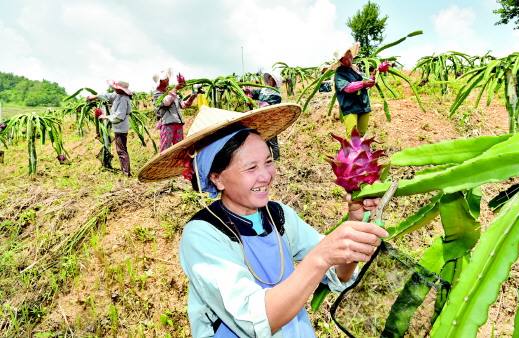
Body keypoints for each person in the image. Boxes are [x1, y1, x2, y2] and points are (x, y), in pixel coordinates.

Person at [138, 104, 388, 337]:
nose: (266, 176)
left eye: (268, 162)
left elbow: (337, 274)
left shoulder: (278, 215)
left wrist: (354, 226)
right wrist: (319, 257)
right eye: (251, 168)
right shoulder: (203, 235)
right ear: (217, 178)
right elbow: (255, 318)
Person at [87, 80, 132, 176]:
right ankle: (125, 171)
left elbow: (119, 116)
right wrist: (95, 97)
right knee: (121, 149)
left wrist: (106, 117)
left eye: (116, 88)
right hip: (118, 127)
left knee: (121, 150)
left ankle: (126, 173)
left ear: (121, 89)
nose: (114, 89)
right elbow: (108, 96)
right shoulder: (118, 95)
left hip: (121, 128)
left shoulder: (123, 99)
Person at [333, 42, 375, 136]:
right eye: (346, 58)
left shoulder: (355, 70)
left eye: (350, 55)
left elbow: (365, 83)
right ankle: (350, 151)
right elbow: (348, 88)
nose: (349, 59)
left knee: (362, 134)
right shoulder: (339, 73)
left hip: (363, 105)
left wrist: (372, 80)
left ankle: (361, 151)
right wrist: (363, 83)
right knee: (352, 136)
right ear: (341, 60)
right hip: (350, 107)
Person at [152, 68, 197, 152]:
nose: (168, 79)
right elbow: (166, 102)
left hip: (178, 124)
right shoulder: (157, 94)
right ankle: (165, 165)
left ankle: (178, 165)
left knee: (180, 149)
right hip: (167, 125)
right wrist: (175, 89)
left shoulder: (171, 92)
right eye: (165, 78)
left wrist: (193, 96)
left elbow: (183, 105)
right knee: (165, 150)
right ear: (160, 81)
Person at [244, 72, 282, 160]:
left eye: (271, 79)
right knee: (264, 141)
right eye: (269, 78)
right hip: (261, 119)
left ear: (275, 82)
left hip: (270, 120)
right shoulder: (264, 90)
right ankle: (267, 160)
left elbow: (269, 105)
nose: (269, 80)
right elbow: (254, 93)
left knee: (273, 141)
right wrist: (248, 92)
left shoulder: (276, 95)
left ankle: (277, 160)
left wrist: (256, 104)